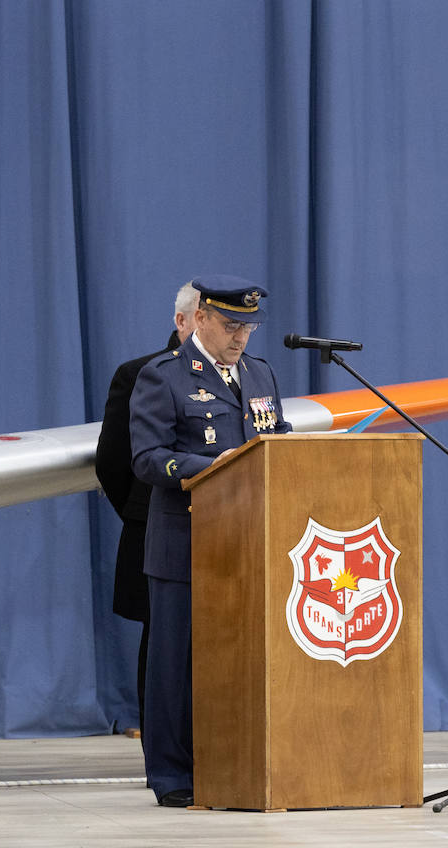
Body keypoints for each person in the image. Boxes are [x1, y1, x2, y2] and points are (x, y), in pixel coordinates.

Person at [128, 275, 292, 807]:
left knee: (240, 661)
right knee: (175, 666)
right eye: (229, 325)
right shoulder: (165, 376)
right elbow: (147, 458)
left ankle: (231, 763)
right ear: (198, 318)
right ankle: (173, 776)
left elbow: (276, 441)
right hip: (187, 542)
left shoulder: (260, 374)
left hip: (249, 545)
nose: (240, 337)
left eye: (248, 327)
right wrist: (211, 467)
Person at [94, 284, 201, 736]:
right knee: (163, 637)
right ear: (182, 322)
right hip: (158, 525)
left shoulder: (245, 377)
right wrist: (144, 516)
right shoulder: (140, 373)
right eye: (211, 319)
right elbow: (114, 462)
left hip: (232, 527)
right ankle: (162, 750)